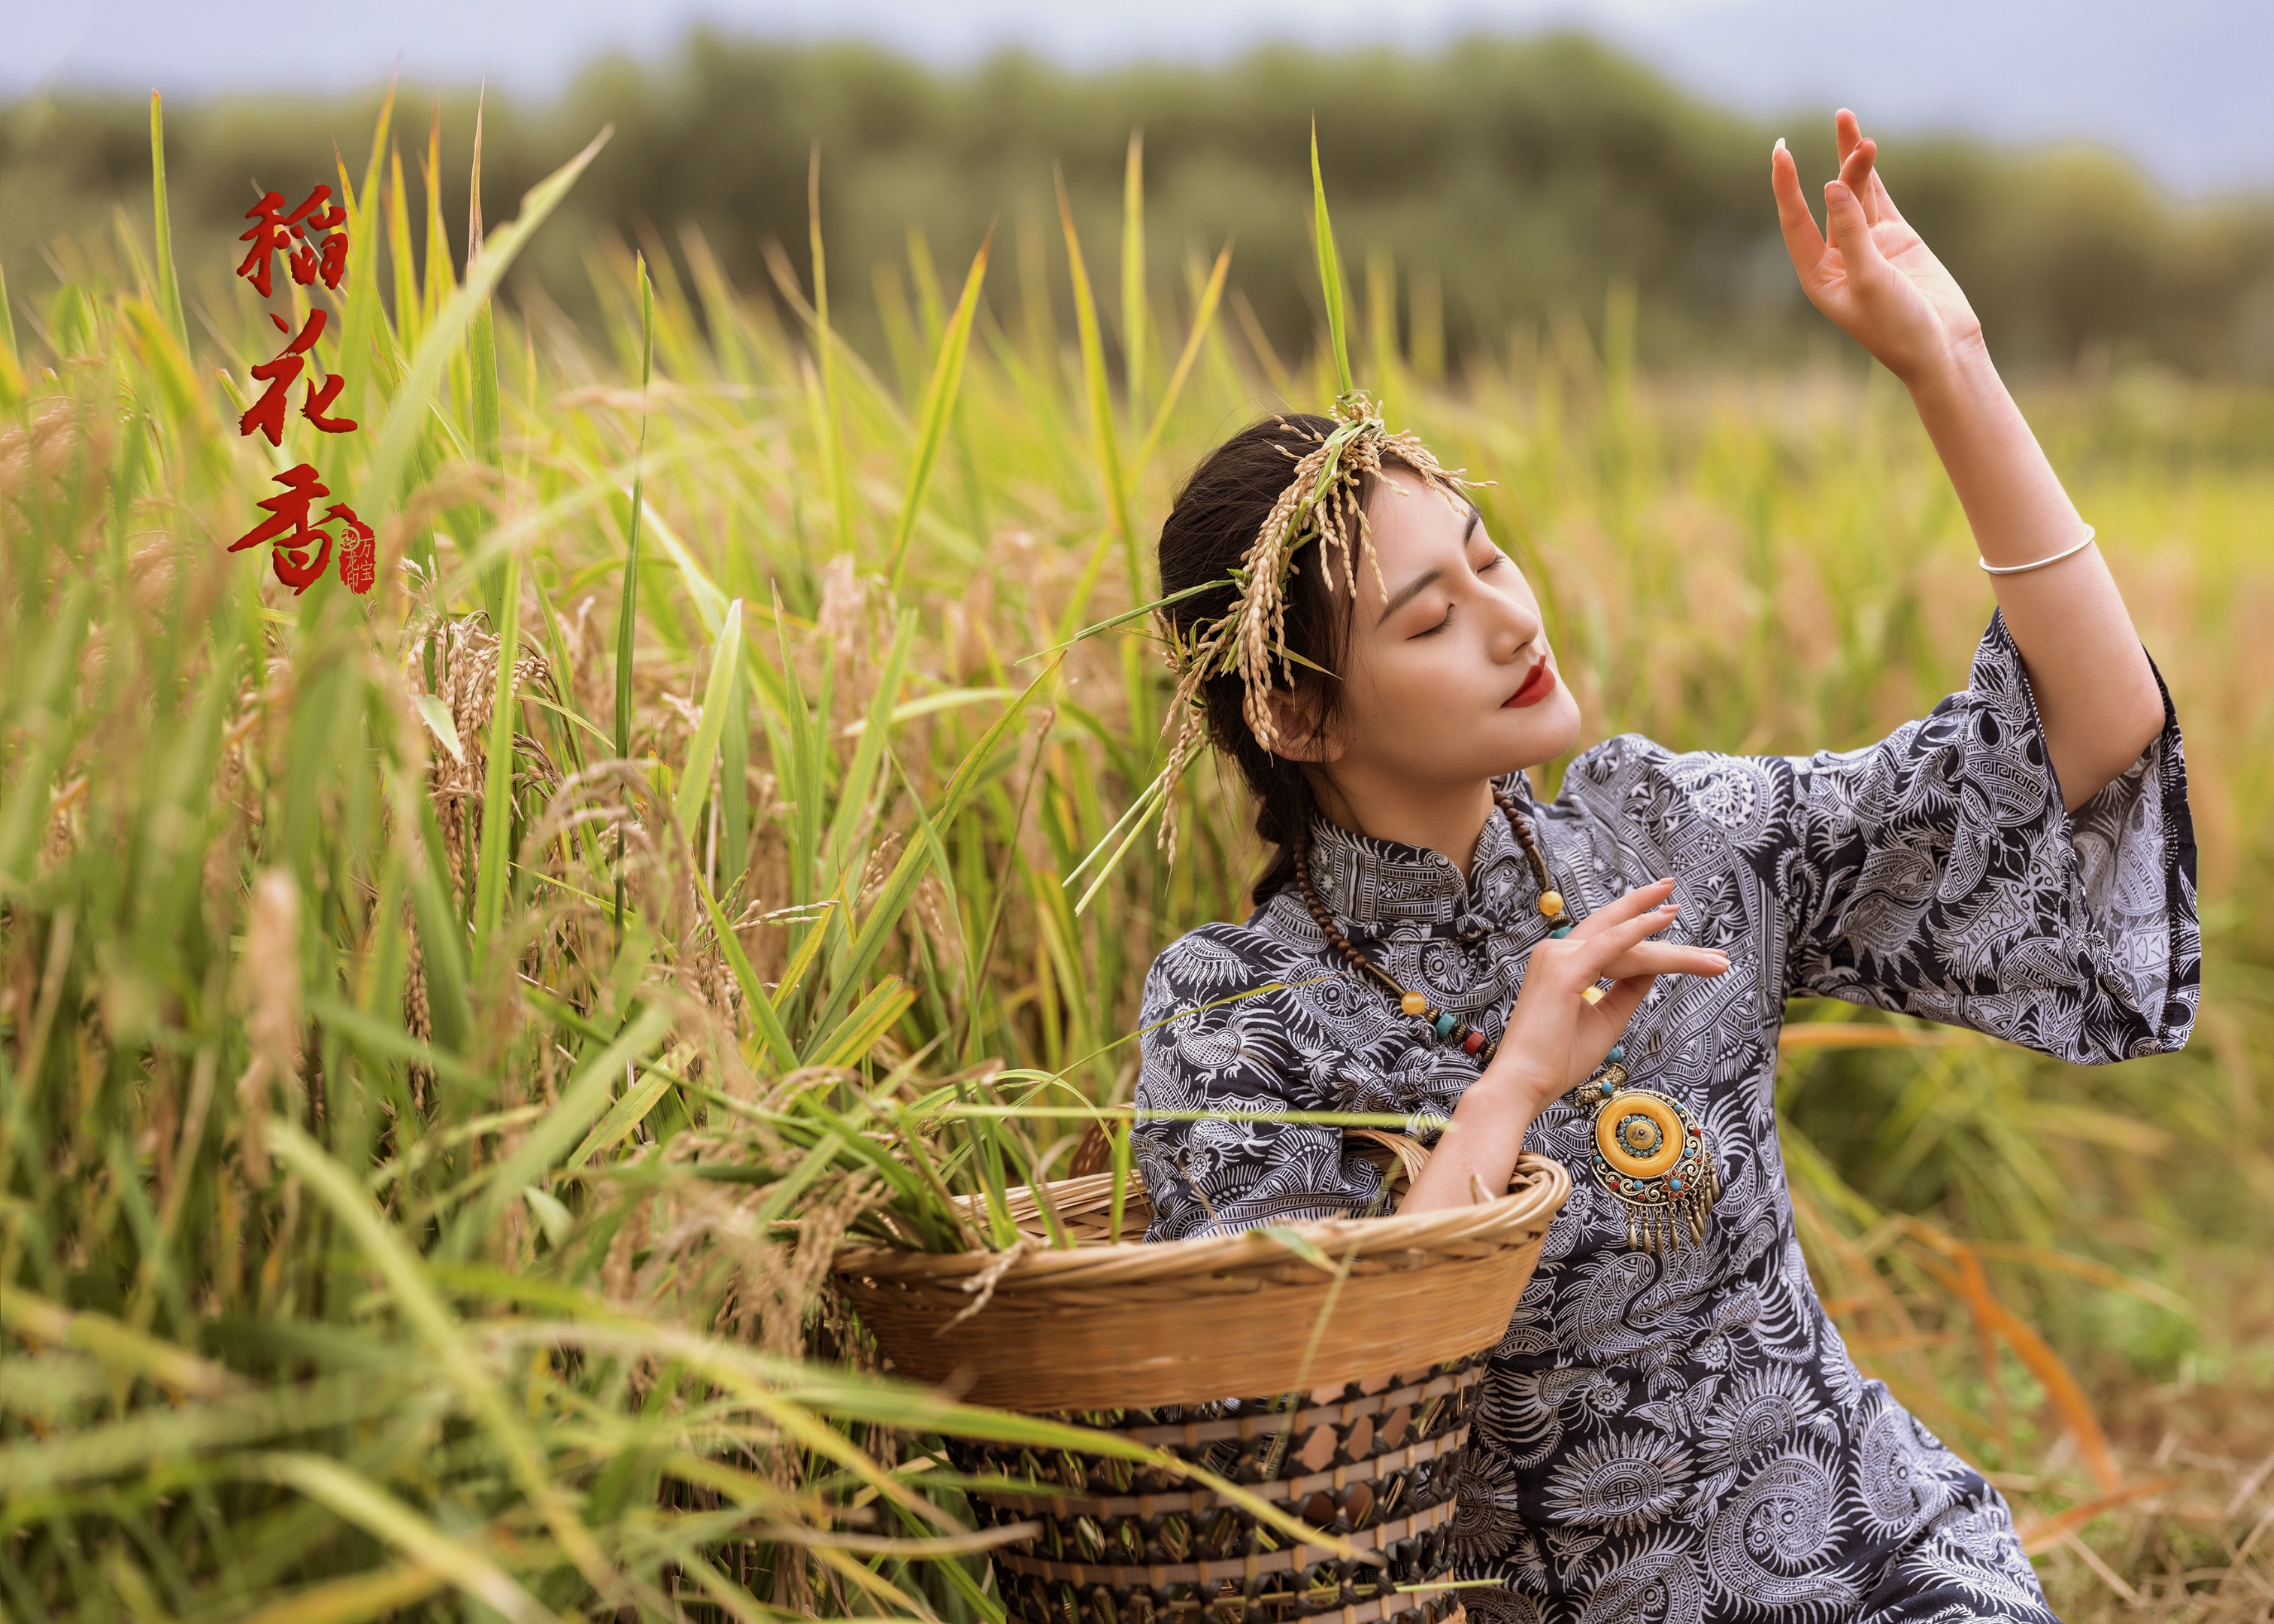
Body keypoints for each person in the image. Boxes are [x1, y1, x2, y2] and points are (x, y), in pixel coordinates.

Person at [1129, 111, 2198, 1622]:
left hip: (1876, 1562)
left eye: (1489, 557)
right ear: (1296, 711)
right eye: (1429, 621)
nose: (1511, 620)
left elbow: (2088, 740)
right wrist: (1513, 1083)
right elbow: (1291, 1411)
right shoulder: (1244, 1015)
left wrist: (1947, 370)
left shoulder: (1666, 834)